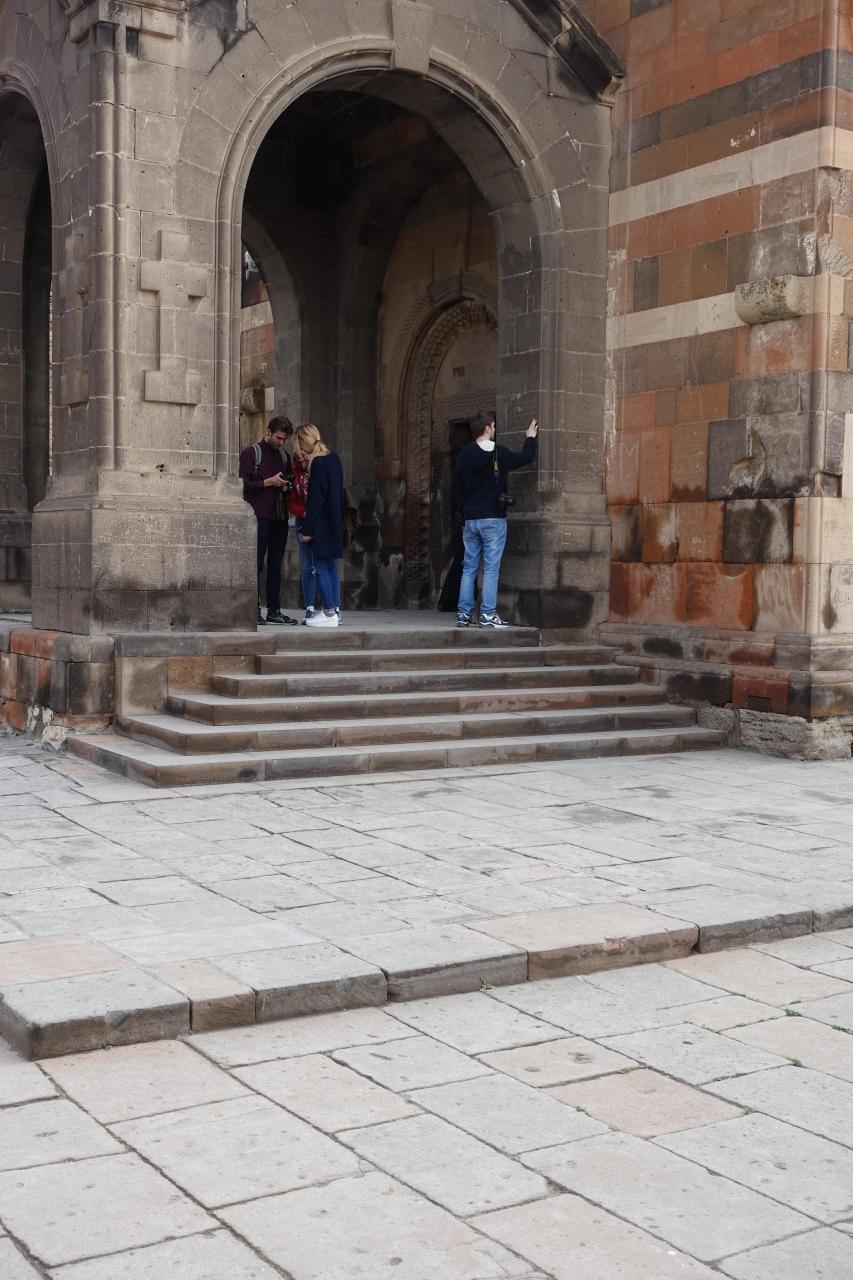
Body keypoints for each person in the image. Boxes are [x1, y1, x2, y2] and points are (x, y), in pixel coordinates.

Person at [456, 411, 539, 629]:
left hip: (471, 520)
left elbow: (458, 489)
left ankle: (464, 614)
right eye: (493, 426)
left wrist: (464, 514)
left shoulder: (464, 454)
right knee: (491, 569)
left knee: (469, 568)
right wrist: (530, 438)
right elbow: (525, 457)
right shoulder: (499, 453)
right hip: (493, 518)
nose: (494, 429)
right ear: (487, 428)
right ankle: (487, 614)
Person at [239, 416, 299, 627]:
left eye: (285, 439)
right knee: (255, 564)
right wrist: (268, 482)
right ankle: (253, 610)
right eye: (279, 438)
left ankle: (274, 611)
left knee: (275, 564)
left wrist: (285, 485)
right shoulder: (251, 453)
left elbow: (289, 483)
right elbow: (243, 484)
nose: (281, 442)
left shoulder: (284, 456)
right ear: (269, 432)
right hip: (259, 515)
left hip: (279, 516)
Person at [295, 423, 344, 629]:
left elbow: (316, 498)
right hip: (334, 520)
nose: (299, 449)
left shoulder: (318, 462)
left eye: (299, 444)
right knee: (330, 567)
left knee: (321, 567)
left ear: (304, 442)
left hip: (322, 522)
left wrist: (308, 528)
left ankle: (329, 612)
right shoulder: (333, 458)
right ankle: (334, 611)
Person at [288, 432, 317, 624]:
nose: (302, 457)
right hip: (302, 520)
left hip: (320, 521)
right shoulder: (295, 470)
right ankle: (310, 608)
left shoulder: (321, 466)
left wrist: (313, 515)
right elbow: (291, 499)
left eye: (303, 452)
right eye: (299, 454)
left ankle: (333, 608)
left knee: (324, 565)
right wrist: (304, 514)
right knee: (307, 566)